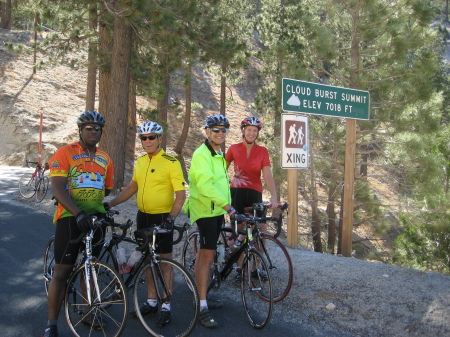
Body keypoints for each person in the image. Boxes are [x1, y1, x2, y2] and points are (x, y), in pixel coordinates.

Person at [105, 121, 186, 327]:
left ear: (160, 138)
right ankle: (151, 300)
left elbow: (180, 195)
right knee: (148, 259)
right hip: (144, 217)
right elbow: (133, 186)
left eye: (151, 137)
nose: (147, 141)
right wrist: (111, 203)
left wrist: (171, 219)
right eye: (144, 138)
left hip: (162, 219)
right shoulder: (141, 161)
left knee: (165, 261)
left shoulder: (171, 162)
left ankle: (166, 304)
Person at [42, 111, 114, 337]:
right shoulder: (65, 152)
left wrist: (93, 208)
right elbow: (58, 187)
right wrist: (77, 212)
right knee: (62, 272)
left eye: (97, 128)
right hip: (70, 219)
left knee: (90, 268)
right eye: (89, 128)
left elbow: (108, 188)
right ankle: (51, 325)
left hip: (96, 219)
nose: (94, 131)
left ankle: (88, 312)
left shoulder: (105, 157)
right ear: (80, 131)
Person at [187, 114, 234, 329]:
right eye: (216, 129)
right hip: (206, 211)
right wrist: (228, 207)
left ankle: (203, 296)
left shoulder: (217, 154)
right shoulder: (201, 155)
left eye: (224, 130)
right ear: (207, 132)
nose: (221, 133)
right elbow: (205, 186)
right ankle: (201, 305)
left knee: (209, 255)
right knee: (206, 257)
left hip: (216, 211)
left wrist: (225, 207)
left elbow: (221, 184)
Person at [225, 116, 278, 284]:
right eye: (249, 129)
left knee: (260, 231)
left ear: (257, 133)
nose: (252, 133)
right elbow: (221, 171)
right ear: (243, 130)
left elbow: (267, 175)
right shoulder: (233, 149)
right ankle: (240, 269)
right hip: (237, 193)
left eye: (255, 131)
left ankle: (256, 268)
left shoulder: (262, 151)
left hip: (255, 194)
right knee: (241, 232)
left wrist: (274, 195)